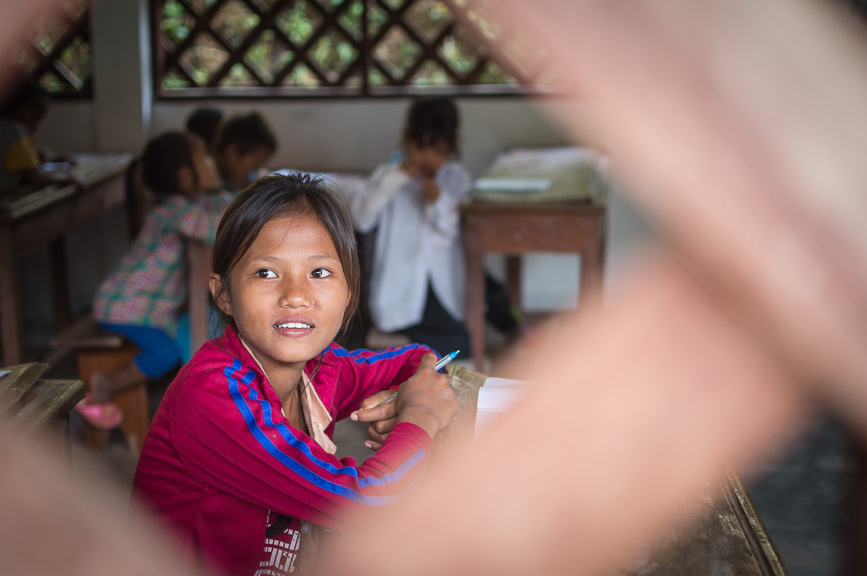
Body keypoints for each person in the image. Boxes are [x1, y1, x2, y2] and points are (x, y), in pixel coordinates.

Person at [131, 172, 459, 576]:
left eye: (320, 273)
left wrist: (410, 391)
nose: (296, 295)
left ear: (349, 293)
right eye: (266, 273)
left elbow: (418, 359)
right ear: (224, 294)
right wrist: (421, 415)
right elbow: (368, 504)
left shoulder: (323, 369)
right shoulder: (211, 393)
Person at [75, 131, 233, 429]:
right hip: (123, 309)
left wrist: (223, 195)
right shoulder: (173, 211)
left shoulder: (186, 205)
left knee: (187, 337)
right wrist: (246, 207)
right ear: (186, 177)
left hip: (139, 307)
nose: (213, 164)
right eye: (206, 159)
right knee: (166, 351)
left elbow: (217, 208)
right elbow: (214, 227)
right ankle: (103, 386)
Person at [351, 96, 518, 360]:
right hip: (401, 286)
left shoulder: (454, 179)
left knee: (461, 339)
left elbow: (448, 233)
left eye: (438, 151)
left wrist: (438, 201)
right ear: (407, 142)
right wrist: (396, 179)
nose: (428, 158)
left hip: (441, 285)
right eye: (420, 148)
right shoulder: (388, 175)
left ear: (451, 149)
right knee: (436, 340)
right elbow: (361, 218)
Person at [0, 74, 79, 193]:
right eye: (35, 116)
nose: (36, 125)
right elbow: (35, 179)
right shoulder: (17, 131)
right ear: (17, 106)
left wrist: (49, 157)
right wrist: (68, 178)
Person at [212, 111, 277, 192]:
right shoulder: (210, 183)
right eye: (253, 167)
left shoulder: (231, 178)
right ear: (232, 153)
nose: (254, 174)